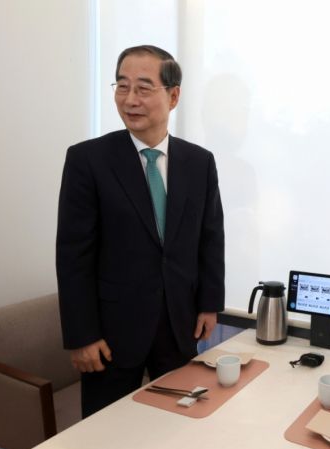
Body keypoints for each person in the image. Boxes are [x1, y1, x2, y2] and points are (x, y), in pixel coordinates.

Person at [56, 45, 225, 417]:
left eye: (144, 88)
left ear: (173, 96)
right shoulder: (87, 160)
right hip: (112, 333)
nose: (130, 99)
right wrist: (82, 336)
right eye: (122, 86)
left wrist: (209, 303)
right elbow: (73, 256)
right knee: (107, 431)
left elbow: (210, 237)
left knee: (176, 422)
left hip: (179, 324)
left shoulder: (199, 162)